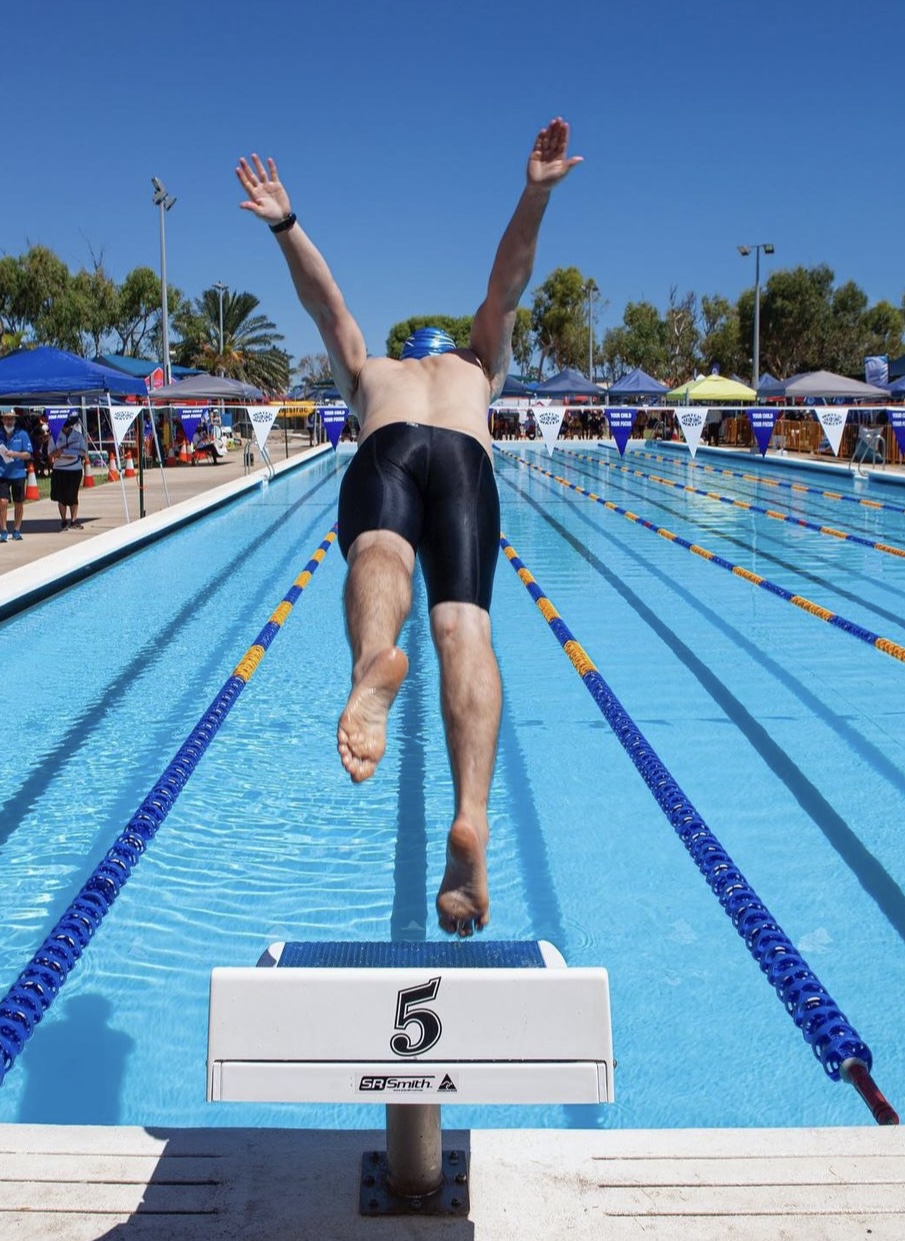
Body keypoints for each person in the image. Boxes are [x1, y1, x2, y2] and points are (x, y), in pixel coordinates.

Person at [236, 118, 582, 936]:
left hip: (387, 447)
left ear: (403, 348)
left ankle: (370, 667)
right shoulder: (474, 365)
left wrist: (288, 225)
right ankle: (471, 817)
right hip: (464, 457)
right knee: (465, 627)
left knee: (379, 549)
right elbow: (506, 285)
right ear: (453, 347)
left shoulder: (374, 374)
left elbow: (327, 306)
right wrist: (533, 196)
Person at [0, 407, 33, 542]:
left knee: (18, 502)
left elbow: (28, 454)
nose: (9, 421)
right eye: (6, 419)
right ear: (2, 421)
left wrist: (15, 454)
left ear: (15, 420)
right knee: (3, 501)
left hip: (18, 474)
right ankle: (3, 530)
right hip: (2, 474)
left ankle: (17, 529)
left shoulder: (22, 435)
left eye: (11, 419)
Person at [48, 410, 88, 529]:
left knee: (73, 495)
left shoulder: (78, 436)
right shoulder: (55, 436)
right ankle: (64, 520)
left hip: (74, 469)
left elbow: (84, 452)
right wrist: (59, 452)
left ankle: (74, 520)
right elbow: (50, 454)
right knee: (61, 496)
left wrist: (74, 452)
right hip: (59, 469)